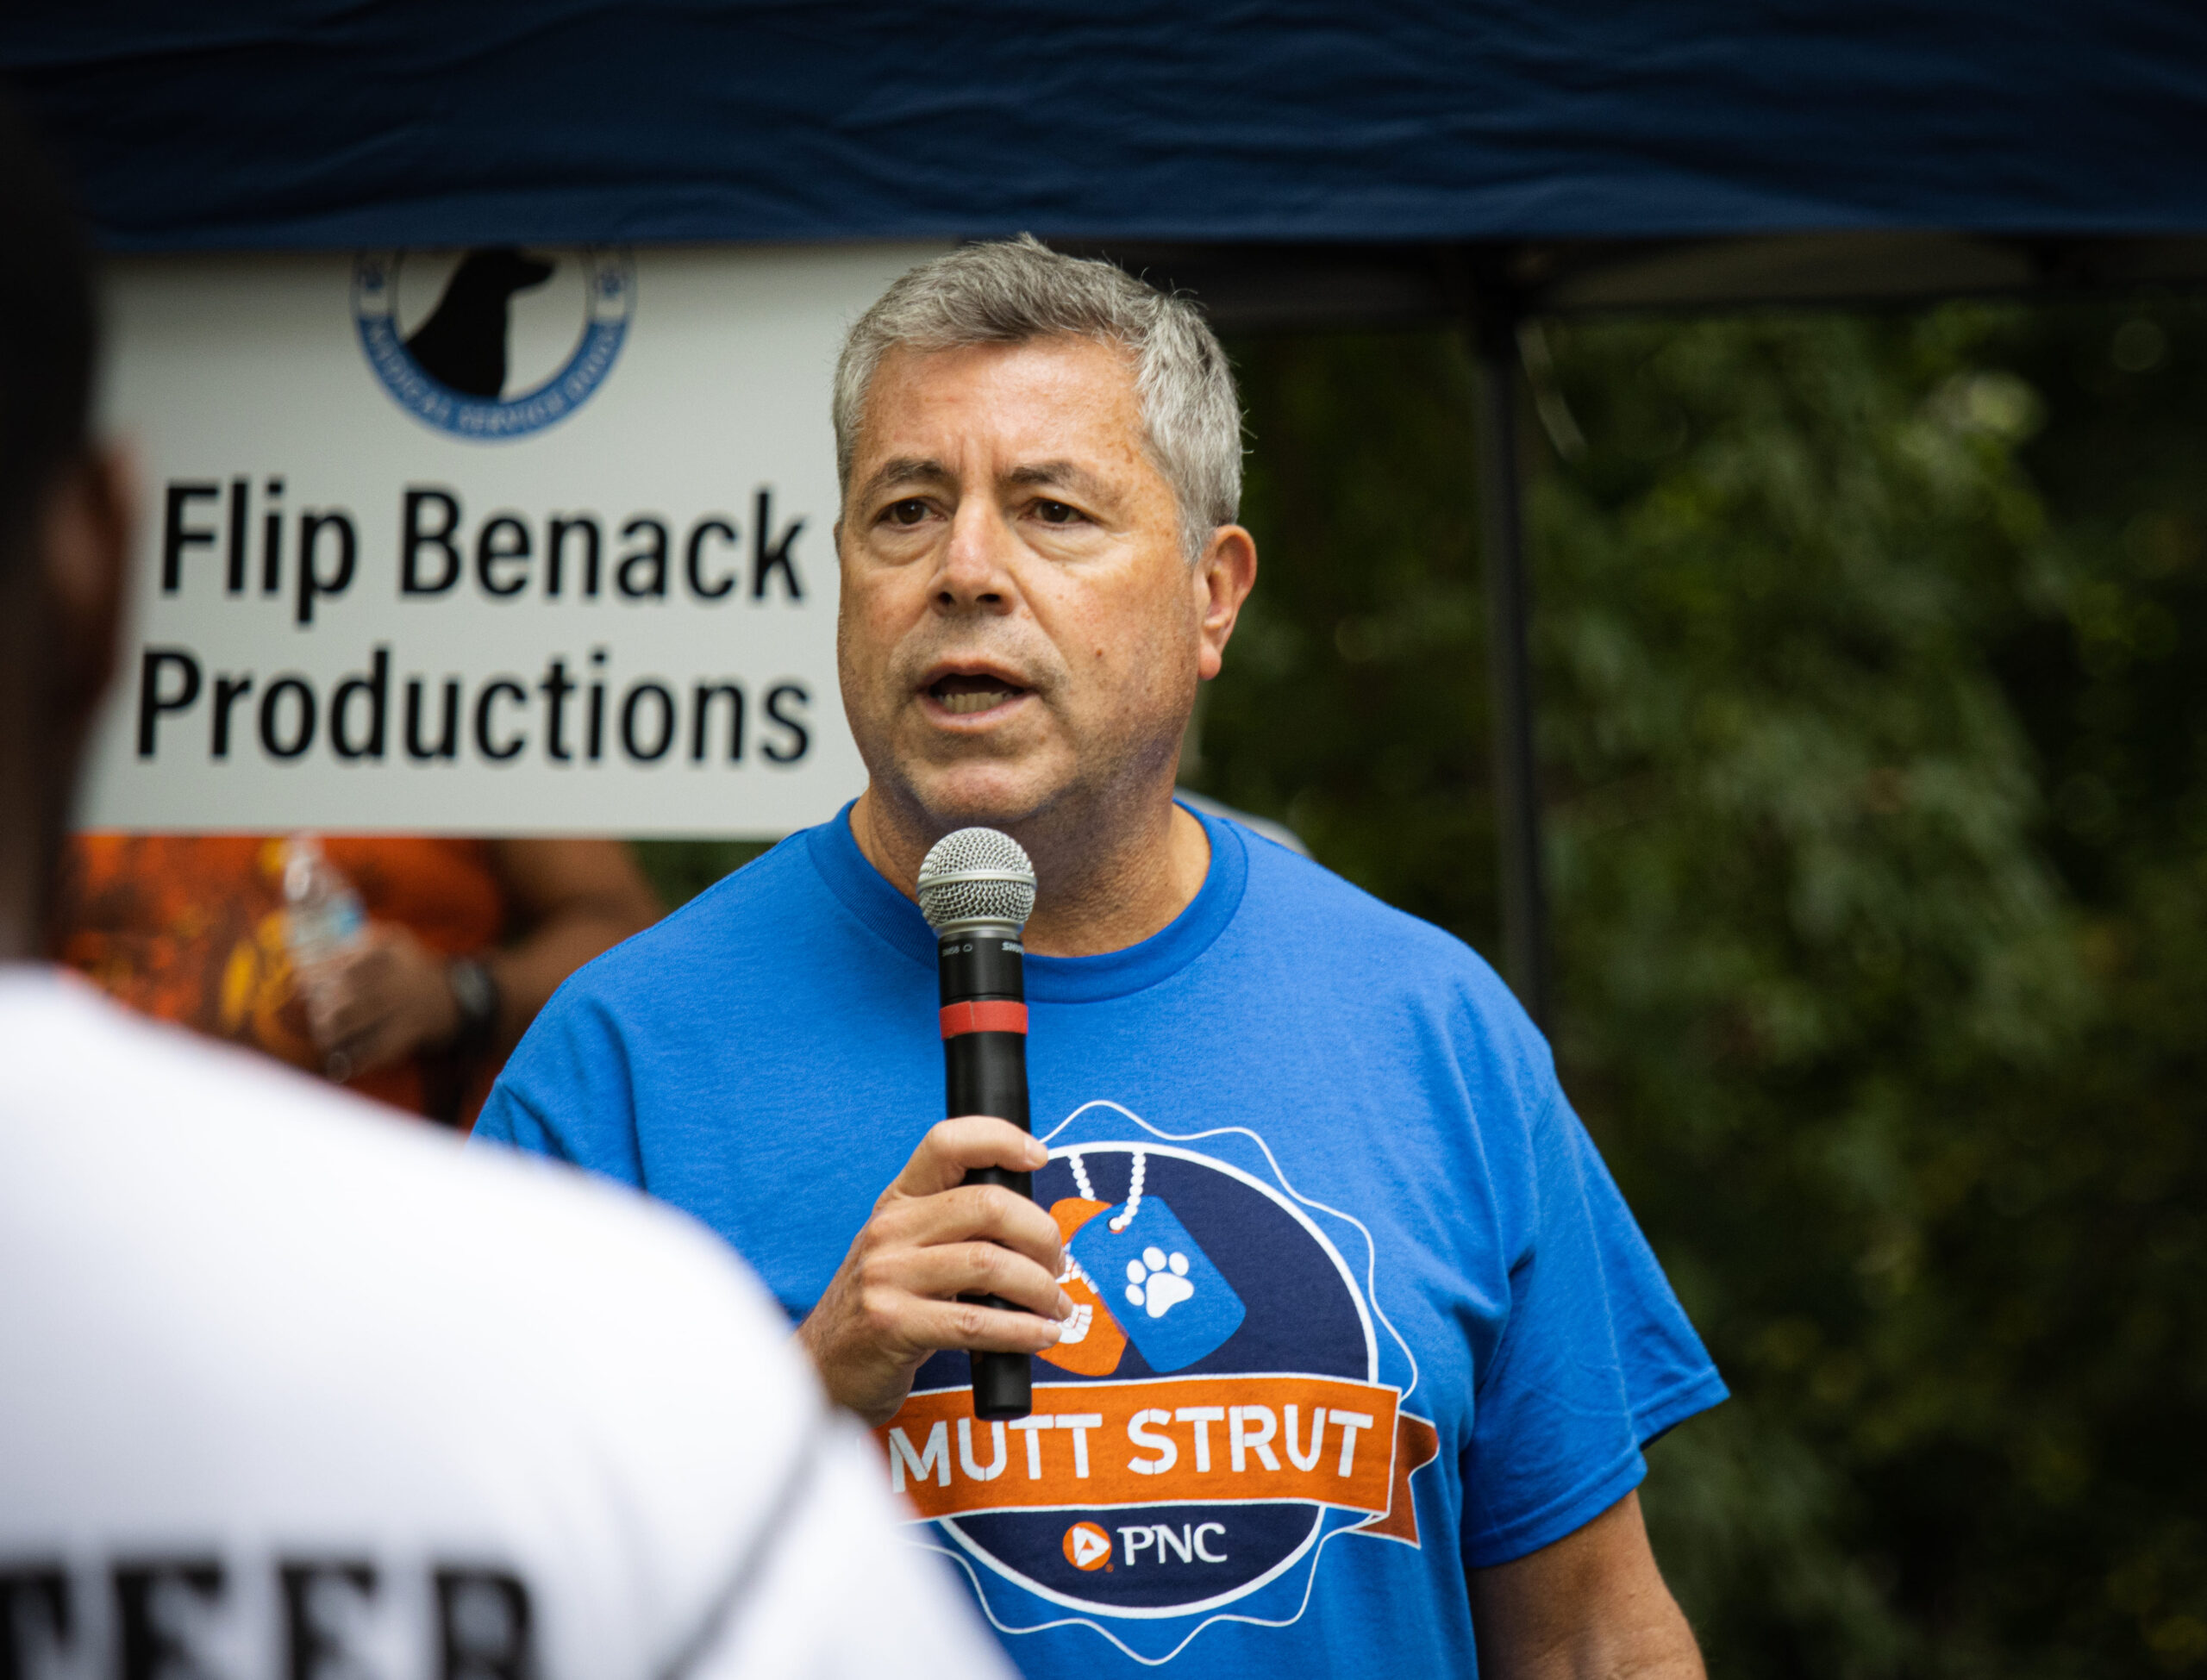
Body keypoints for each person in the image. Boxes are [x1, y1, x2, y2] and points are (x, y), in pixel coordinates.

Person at [475, 237, 1726, 1677]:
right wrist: (806, 1388)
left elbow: (1590, 1635)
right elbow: (475, 1607)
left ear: (1213, 593)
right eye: (904, 509)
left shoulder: (1433, 1026)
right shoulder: (622, 1055)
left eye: (1051, 508)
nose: (962, 570)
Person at [0, 99, 1008, 1680]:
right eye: (904, 508)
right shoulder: (607, 1289)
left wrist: (456, 988)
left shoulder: (537, 1313)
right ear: (123, 568)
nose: (964, 565)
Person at [56, 831, 660, 1125]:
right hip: (95, 1175)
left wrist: (459, 995)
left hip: (390, 1210)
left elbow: (627, 937)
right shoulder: (70, 640)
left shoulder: (447, 688)